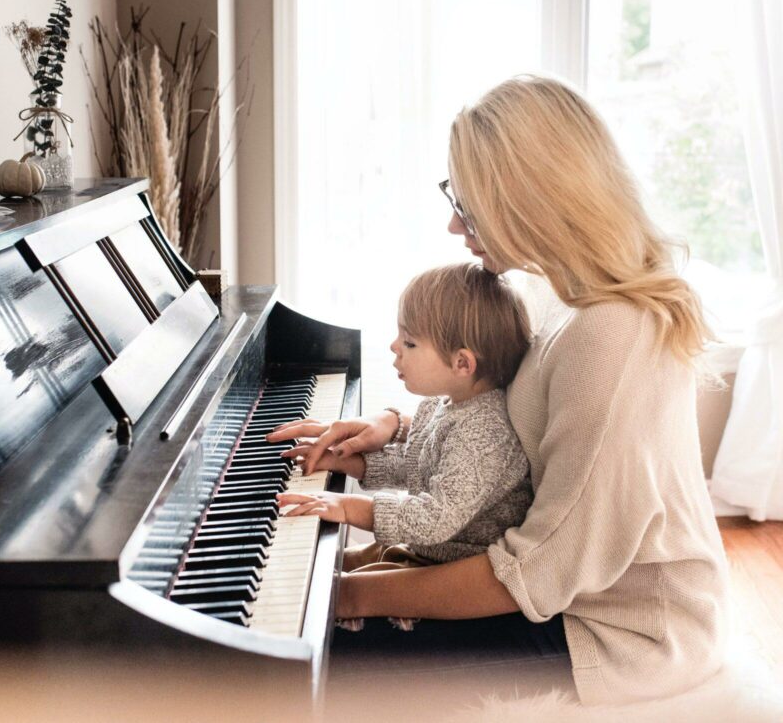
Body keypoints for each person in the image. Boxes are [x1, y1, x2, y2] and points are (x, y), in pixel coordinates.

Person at [267, 75, 730, 706]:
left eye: (469, 203)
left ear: (530, 198)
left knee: (302, 663)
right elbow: (504, 425)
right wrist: (393, 427)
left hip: (613, 631)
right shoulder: (550, 289)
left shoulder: (610, 335)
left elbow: (536, 572)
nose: (453, 223)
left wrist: (338, 596)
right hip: (555, 590)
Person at [277, 263, 533, 606]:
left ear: (462, 364)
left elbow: (436, 518)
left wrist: (349, 507)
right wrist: (345, 462)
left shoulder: (485, 431)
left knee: (316, 597)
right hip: (430, 551)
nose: (394, 346)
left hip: (450, 569)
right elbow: (418, 465)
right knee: (304, 574)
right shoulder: (448, 404)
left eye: (409, 342)